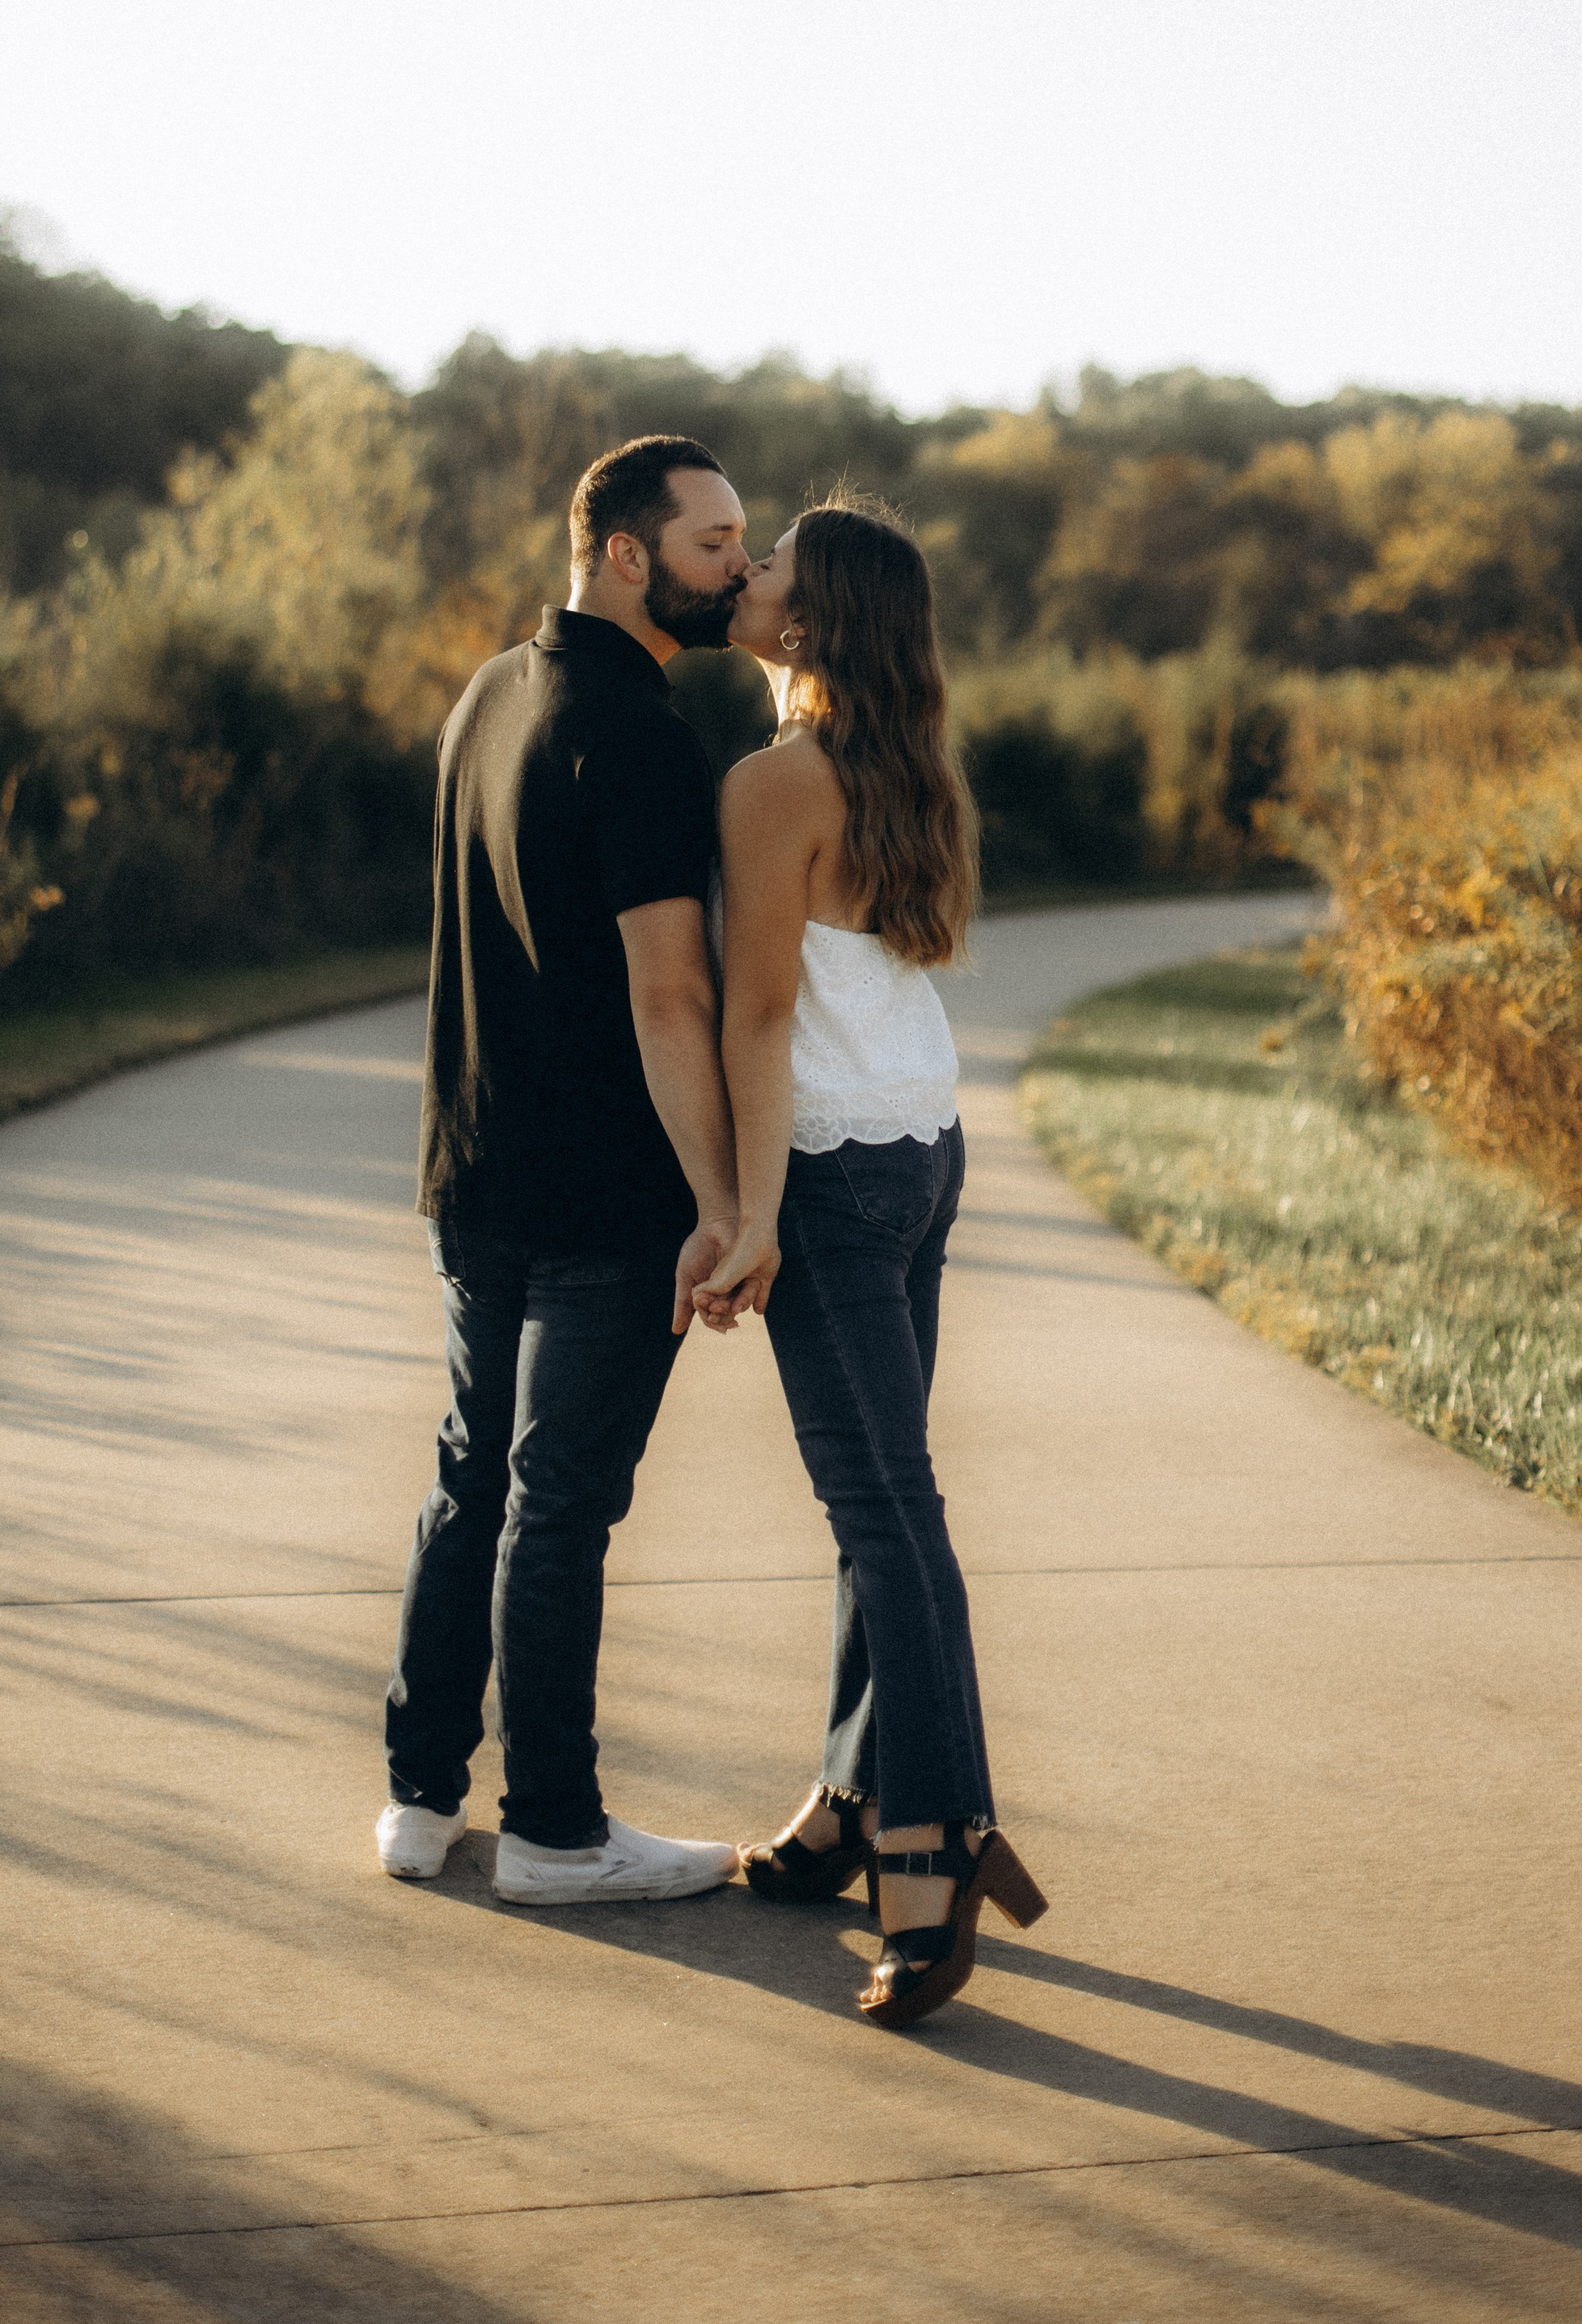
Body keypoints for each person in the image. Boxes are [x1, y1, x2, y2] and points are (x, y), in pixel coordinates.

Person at [379, 435, 751, 1903]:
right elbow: (673, 996)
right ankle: (551, 1829)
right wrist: (724, 1204)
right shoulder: (643, 734)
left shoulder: (488, 693)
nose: (738, 565)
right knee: (559, 1505)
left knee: (470, 1482)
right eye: (713, 542)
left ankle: (419, 1801)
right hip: (603, 1197)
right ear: (622, 554)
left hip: (474, 1171)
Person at [696, 498, 1047, 2027]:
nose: (749, 574)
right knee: (883, 1497)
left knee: (886, 1511)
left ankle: (933, 1839)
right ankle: (851, 1798)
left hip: (838, 1172)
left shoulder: (776, 786)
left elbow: (759, 1019)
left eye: (769, 561)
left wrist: (754, 1208)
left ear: (815, 618)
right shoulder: (913, 773)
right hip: (924, 1149)